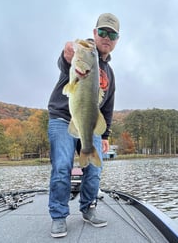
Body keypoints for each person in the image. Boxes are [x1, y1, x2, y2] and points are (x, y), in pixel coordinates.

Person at [47, 13, 120, 238]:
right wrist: (68, 54)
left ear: (117, 40)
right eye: (103, 32)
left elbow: (107, 106)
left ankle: (88, 208)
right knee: (62, 166)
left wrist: (105, 135)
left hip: (90, 125)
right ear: (94, 33)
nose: (106, 37)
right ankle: (59, 216)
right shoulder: (84, 53)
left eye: (112, 34)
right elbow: (65, 60)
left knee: (95, 169)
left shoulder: (109, 73)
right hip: (62, 118)